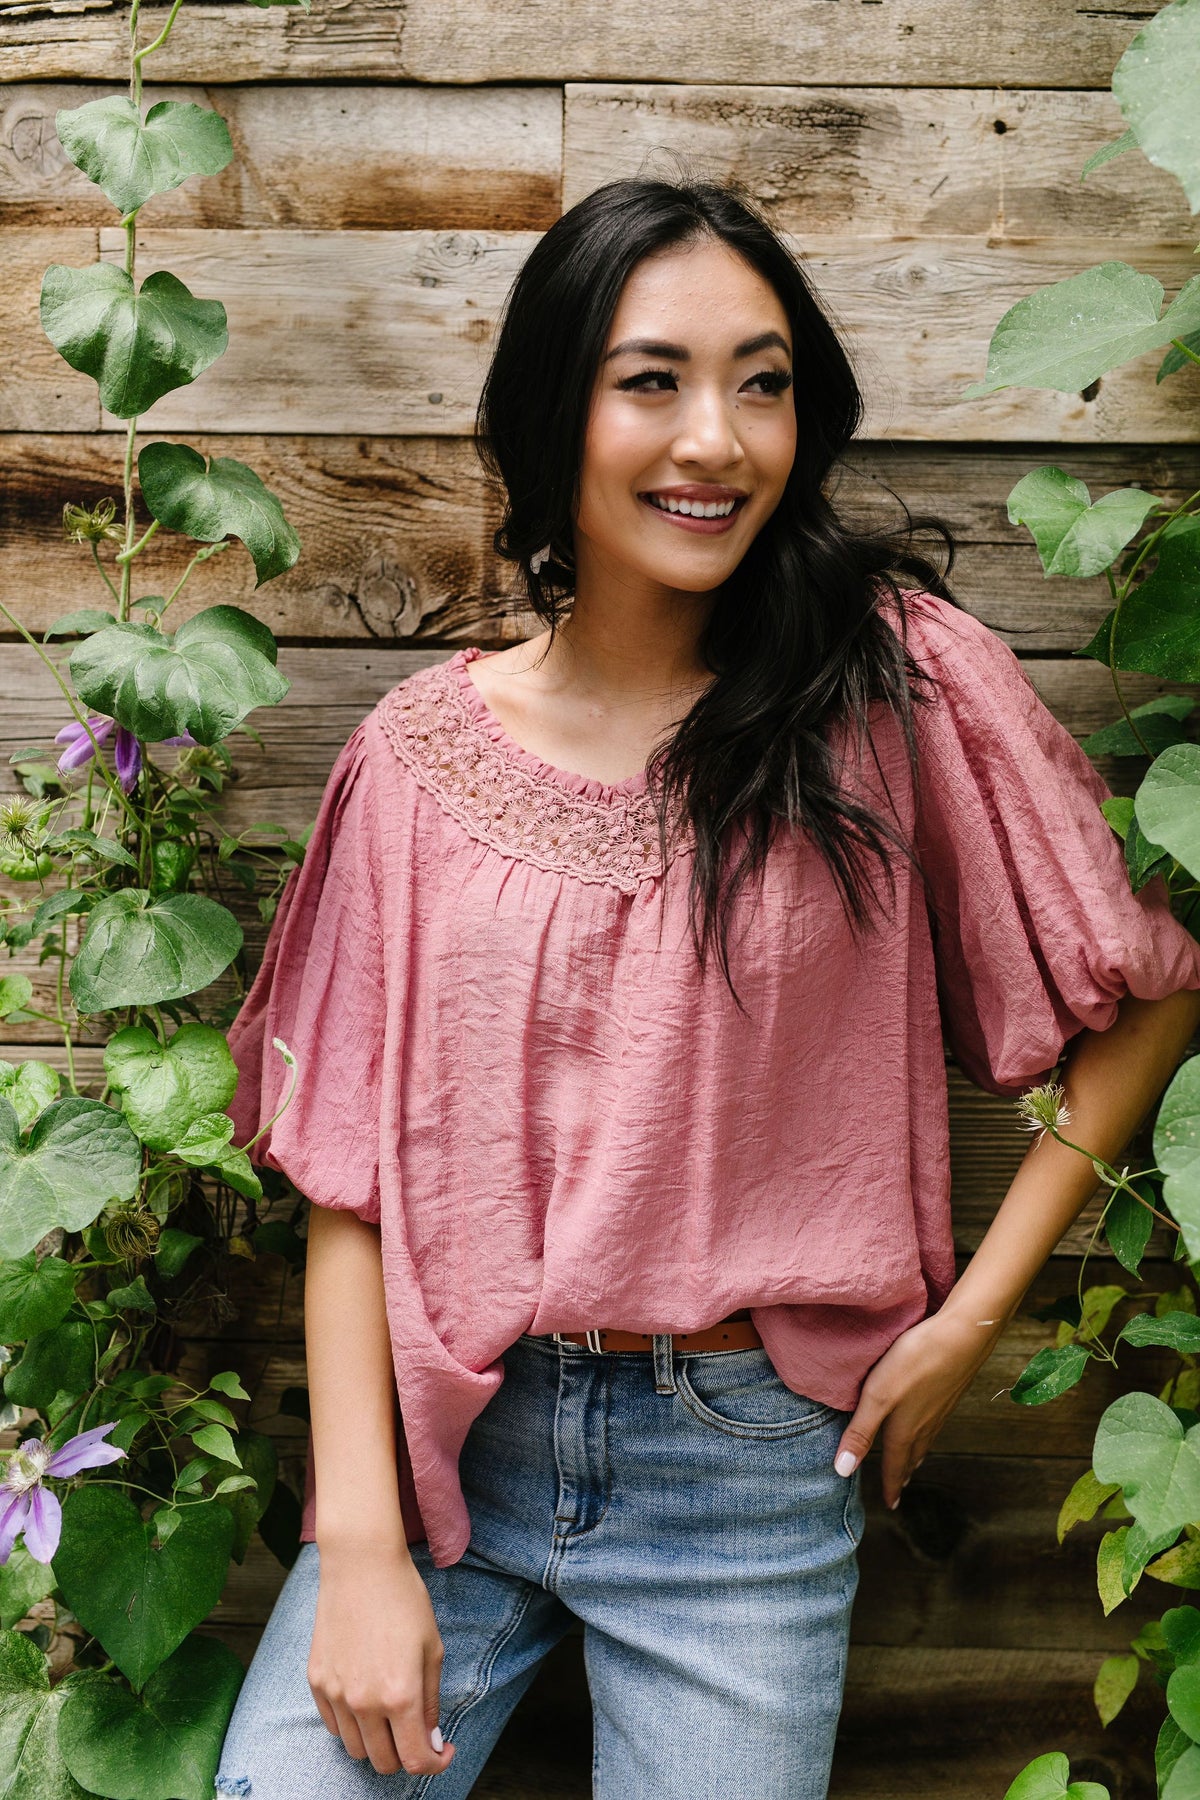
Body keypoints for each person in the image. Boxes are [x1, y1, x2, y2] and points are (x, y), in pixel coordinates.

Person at [214, 177, 1200, 1800]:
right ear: (554, 410)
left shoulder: (892, 685)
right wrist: (363, 1548)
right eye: (652, 380)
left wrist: (970, 1322)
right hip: (453, 1455)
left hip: (749, 1467)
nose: (717, 440)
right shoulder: (413, 761)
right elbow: (347, 1185)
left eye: (763, 382)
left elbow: (1148, 990)